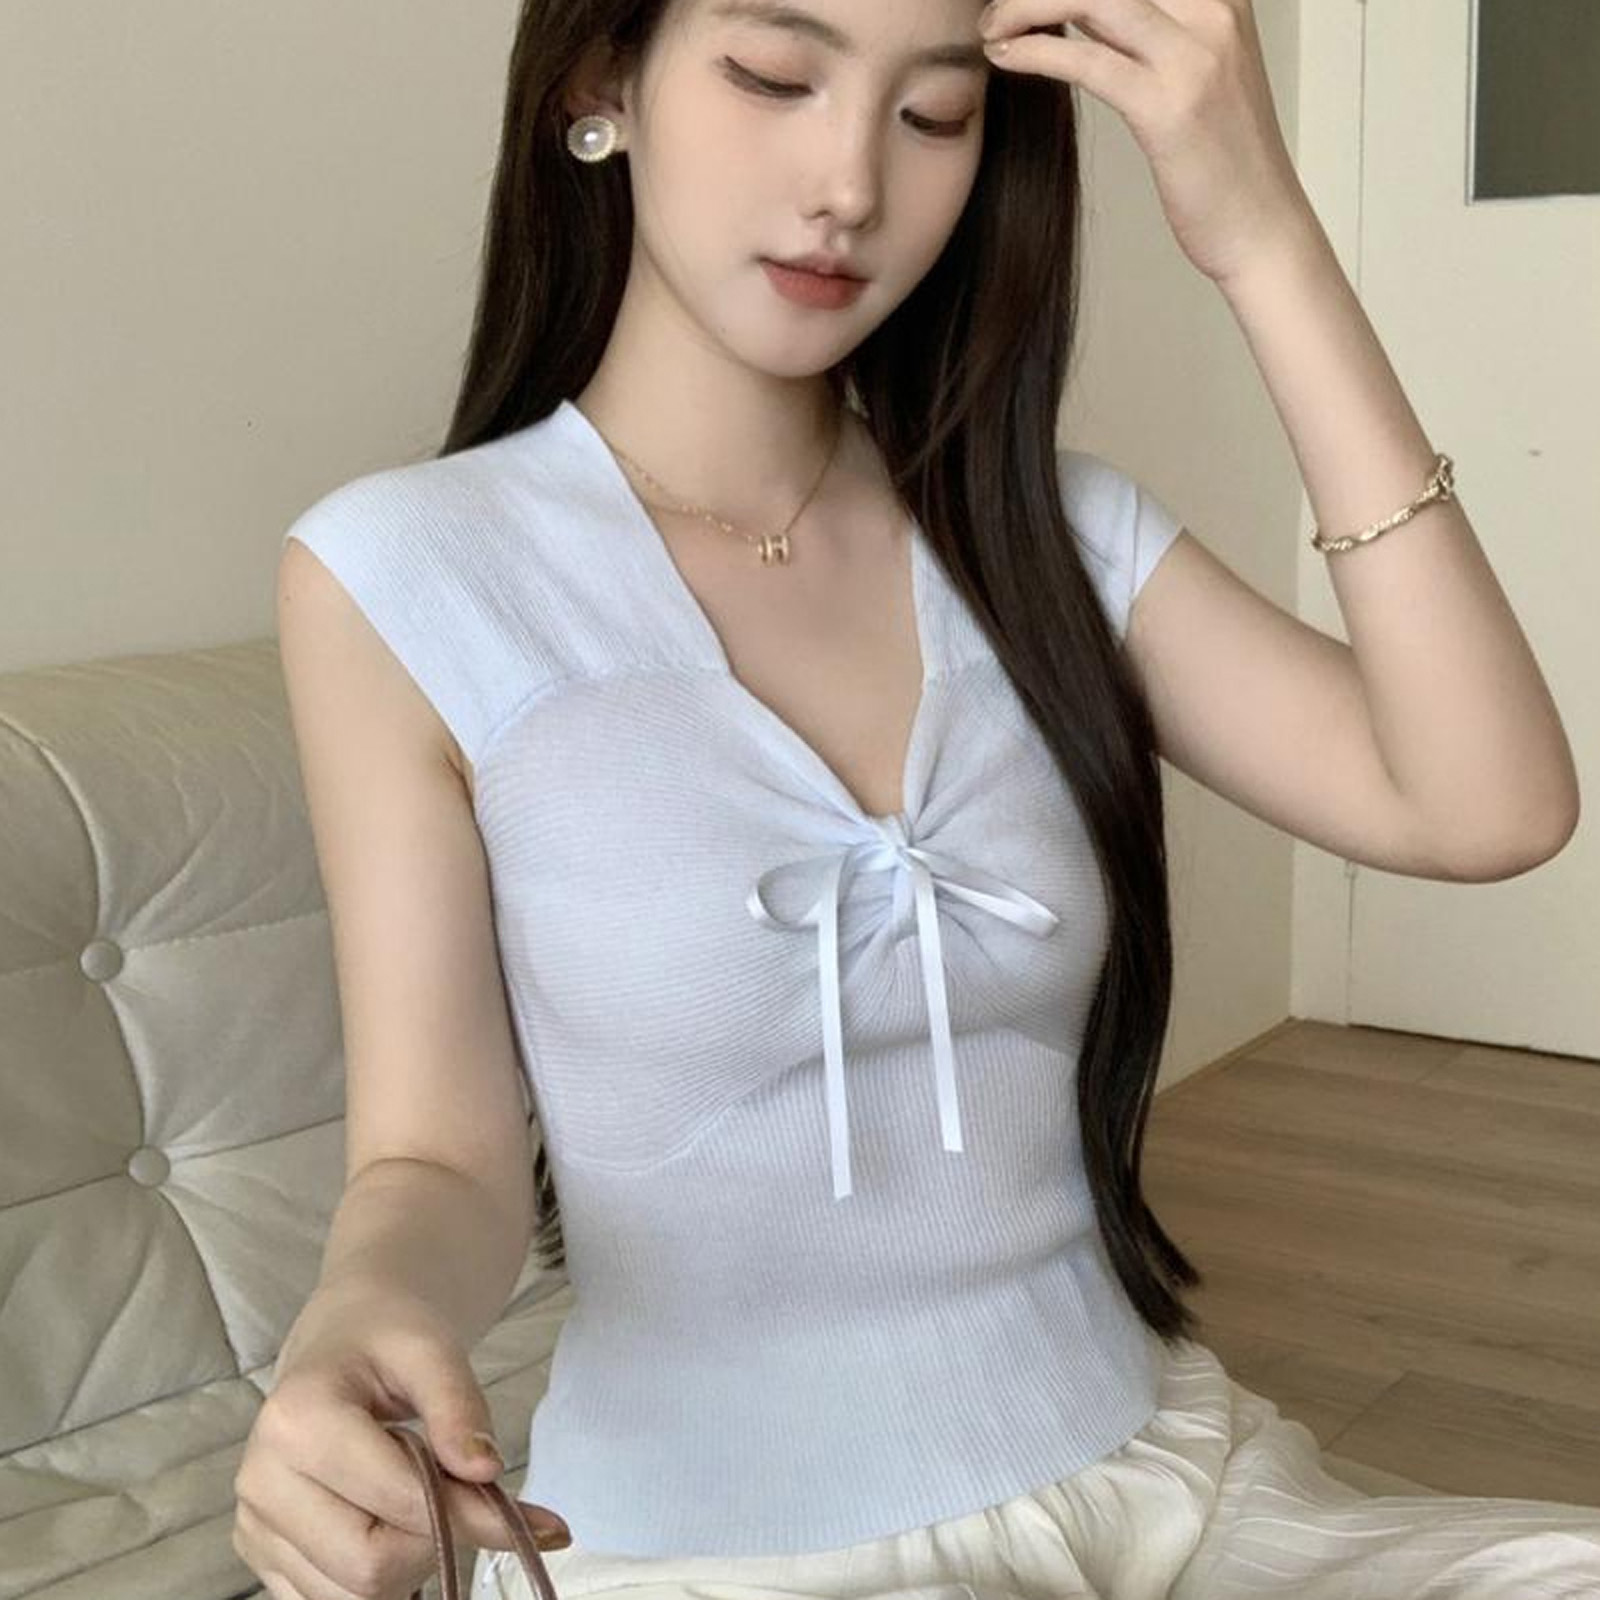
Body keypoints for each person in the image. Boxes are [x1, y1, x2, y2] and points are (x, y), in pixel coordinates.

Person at [236, 0, 1600, 1596]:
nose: (850, 187)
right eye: (774, 76)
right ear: (603, 80)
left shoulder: (1049, 535)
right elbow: (438, 1160)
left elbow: (1486, 805)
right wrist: (359, 1315)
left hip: (1161, 1480)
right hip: (720, 1546)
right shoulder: (405, 573)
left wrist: (1265, 239)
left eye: (935, 115)